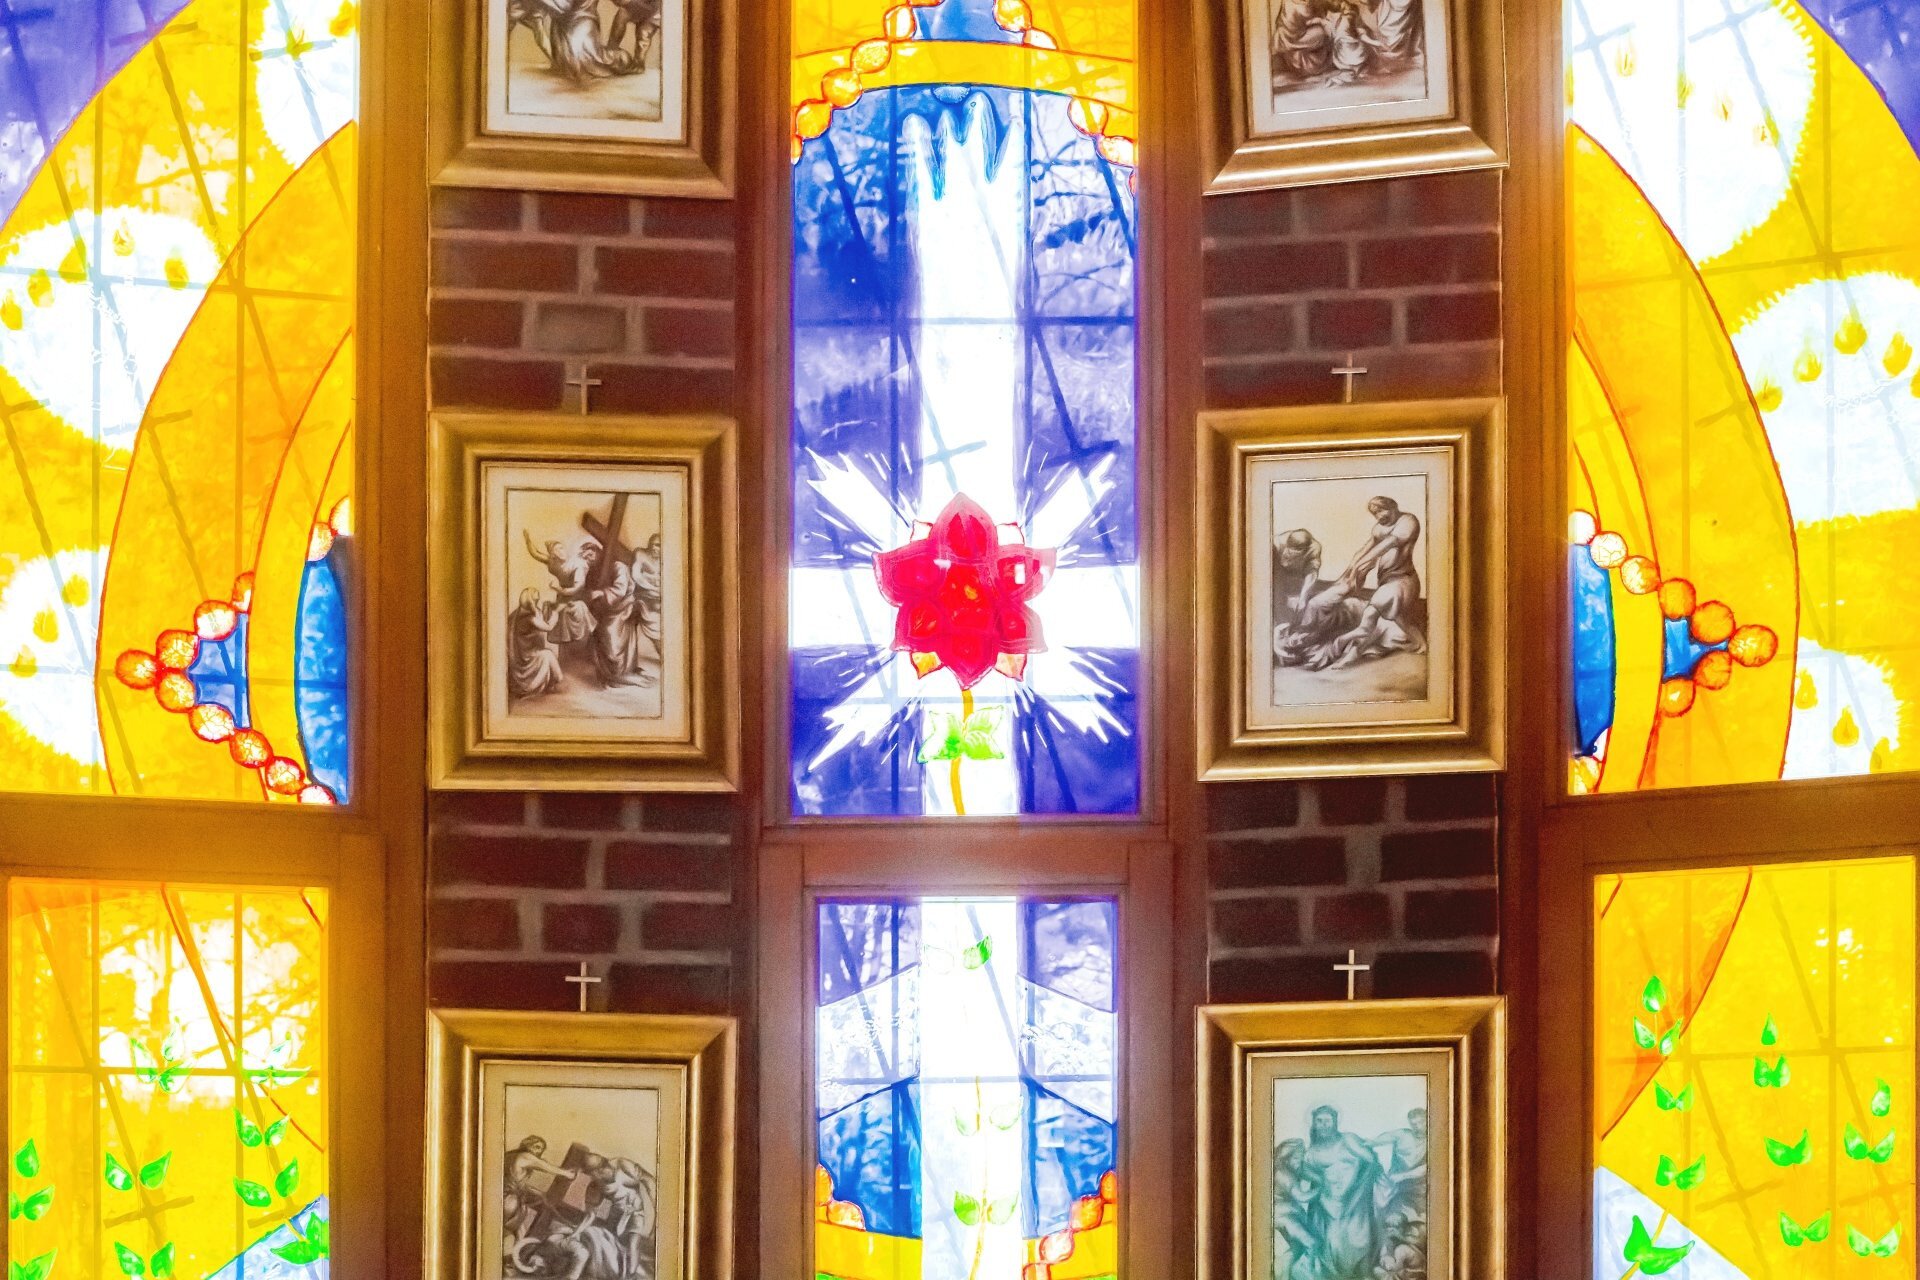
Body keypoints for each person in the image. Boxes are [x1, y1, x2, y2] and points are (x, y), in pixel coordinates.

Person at [1322, 496, 1425, 667]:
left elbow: (1389, 543)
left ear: (1393, 507)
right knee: (1402, 624)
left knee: (1369, 617)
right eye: (1375, 513)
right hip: (1387, 582)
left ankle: (1342, 645)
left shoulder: (1408, 521)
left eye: (1381, 511)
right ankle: (1421, 646)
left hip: (1403, 580)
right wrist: (1350, 570)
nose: (1379, 516)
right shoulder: (1379, 528)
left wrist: (1362, 564)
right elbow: (1364, 549)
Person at [1303, 1106, 1386, 1280]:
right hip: (1329, 1205)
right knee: (1333, 1243)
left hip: (1355, 1201)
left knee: (1360, 1240)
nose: (1323, 1125)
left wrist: (1359, 1185)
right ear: (1314, 1124)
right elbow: (1308, 1174)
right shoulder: (1312, 1152)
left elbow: (1371, 1160)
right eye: (1319, 1121)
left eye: (1327, 1120)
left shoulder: (1348, 1140)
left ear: (1335, 1122)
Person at [508, 589, 566, 700]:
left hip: (526, 653)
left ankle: (554, 682)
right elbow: (548, 627)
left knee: (547, 654)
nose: (536, 602)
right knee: (548, 654)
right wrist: (556, 614)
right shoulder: (529, 618)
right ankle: (558, 680)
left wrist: (545, 610)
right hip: (526, 658)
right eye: (535, 600)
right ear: (529, 601)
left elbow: (539, 620)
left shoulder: (519, 613)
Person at [1374, 1108, 1428, 1222]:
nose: (1418, 1127)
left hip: (1419, 1189)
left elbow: (1428, 1167)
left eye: (1421, 1122)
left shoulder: (1436, 1140)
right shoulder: (1402, 1135)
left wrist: (1402, 1176)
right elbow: (1376, 1141)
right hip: (1395, 1187)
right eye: (1414, 1124)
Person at [1272, 529, 1324, 627]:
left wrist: (1303, 598)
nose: (1286, 553)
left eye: (1291, 553)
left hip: (1296, 575)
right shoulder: (1277, 542)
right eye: (1287, 549)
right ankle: (1282, 622)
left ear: (1303, 550)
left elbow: (1311, 573)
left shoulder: (1314, 549)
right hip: (1277, 572)